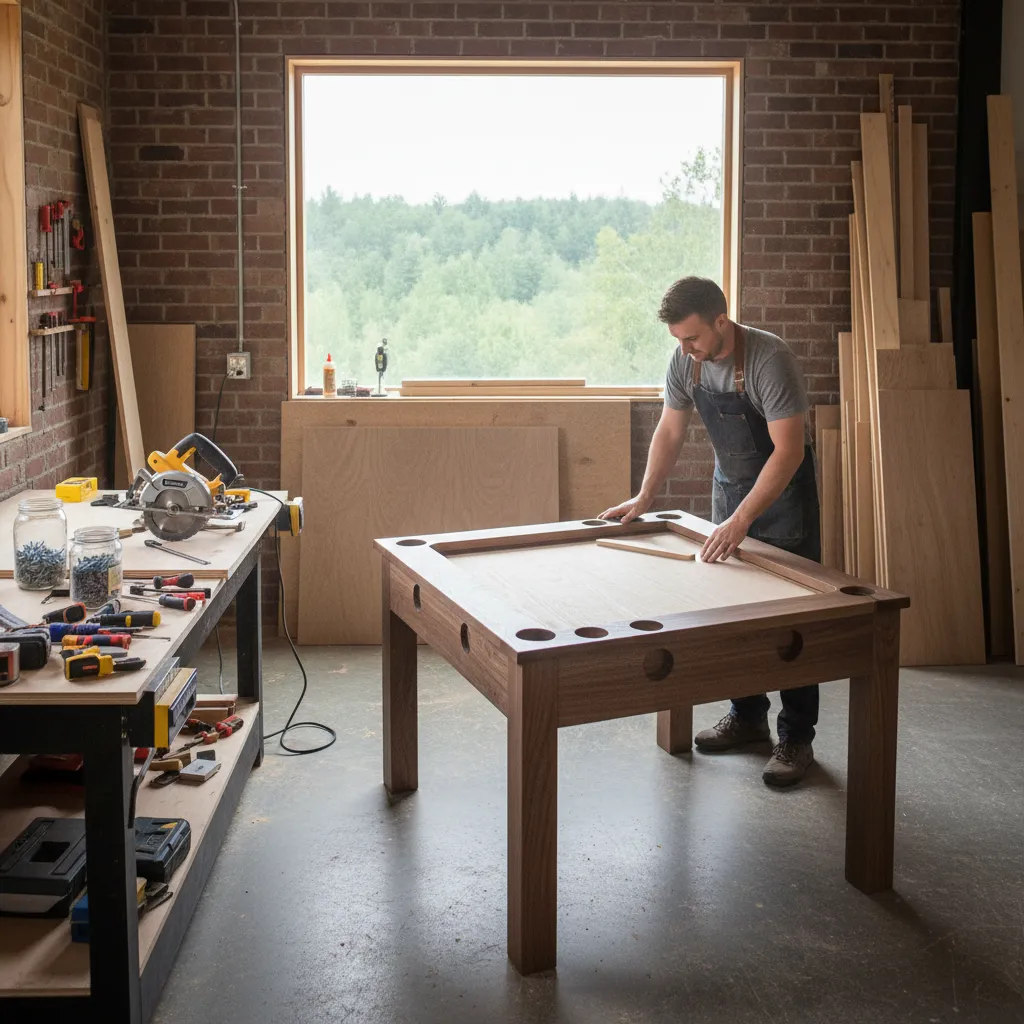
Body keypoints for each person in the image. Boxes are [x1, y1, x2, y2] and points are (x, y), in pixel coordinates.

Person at [600, 276, 821, 787]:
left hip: (782, 497)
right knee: (734, 613)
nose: (686, 350)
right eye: (678, 340)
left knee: (792, 622)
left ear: (722, 321)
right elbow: (670, 430)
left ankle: (796, 737)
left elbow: (788, 452)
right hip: (730, 490)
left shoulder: (770, 360)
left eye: (693, 338)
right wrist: (645, 496)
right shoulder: (685, 360)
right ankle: (747, 718)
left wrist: (743, 519)